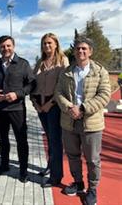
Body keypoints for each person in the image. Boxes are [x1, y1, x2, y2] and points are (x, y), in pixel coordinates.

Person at [55, 36, 110, 205]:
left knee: (93, 159)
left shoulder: (100, 71)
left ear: (90, 51)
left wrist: (83, 108)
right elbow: (58, 93)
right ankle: (78, 183)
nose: (81, 51)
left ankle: (92, 189)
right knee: (72, 155)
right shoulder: (66, 72)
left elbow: (105, 95)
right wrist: (69, 108)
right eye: (78, 48)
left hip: (91, 123)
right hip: (69, 121)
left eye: (84, 49)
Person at [0, 35, 34, 183]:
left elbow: (31, 84)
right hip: (1, 109)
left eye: (8, 46)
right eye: (2, 46)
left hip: (17, 109)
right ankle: (4, 165)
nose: (5, 49)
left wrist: (18, 94)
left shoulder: (23, 64)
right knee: (2, 139)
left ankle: (23, 171)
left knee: (21, 140)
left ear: (13, 46)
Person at [30, 33, 69, 187]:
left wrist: (50, 103)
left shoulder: (62, 61)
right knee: (48, 138)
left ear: (56, 44)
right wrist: (35, 102)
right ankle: (50, 166)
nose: (47, 46)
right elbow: (33, 83)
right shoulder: (40, 62)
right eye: (44, 43)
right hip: (40, 104)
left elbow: (63, 86)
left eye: (49, 43)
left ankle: (56, 177)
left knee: (55, 140)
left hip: (54, 105)